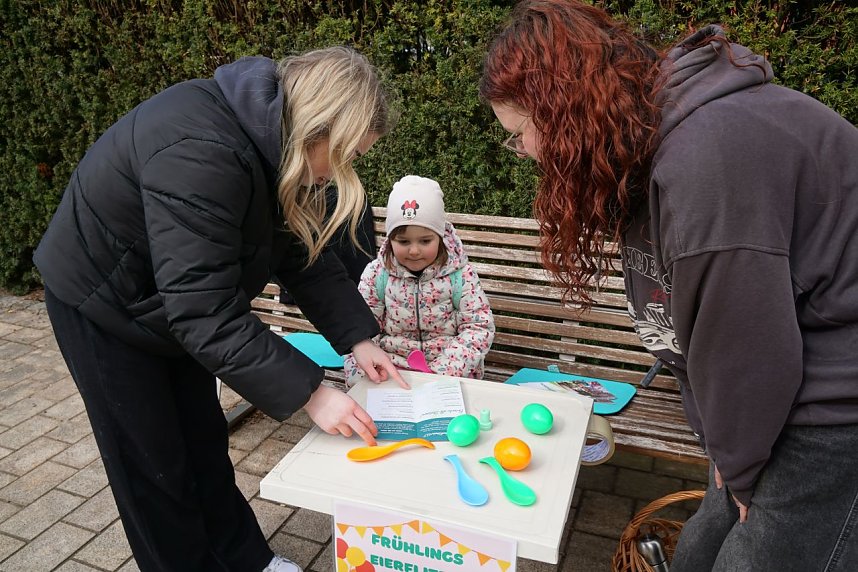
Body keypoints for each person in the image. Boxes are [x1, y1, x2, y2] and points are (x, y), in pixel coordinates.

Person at [479, 1, 858, 570]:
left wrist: (742, 472)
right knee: (698, 551)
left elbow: (747, 345)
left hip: (834, 398)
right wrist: (726, 454)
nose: (526, 152)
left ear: (563, 108)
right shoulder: (645, 147)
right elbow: (689, 328)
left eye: (520, 133)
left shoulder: (708, 158)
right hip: (770, 396)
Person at [33, 47, 409, 572]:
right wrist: (312, 393)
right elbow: (203, 313)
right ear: (319, 127)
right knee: (154, 464)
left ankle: (247, 559)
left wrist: (358, 339)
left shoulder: (276, 144)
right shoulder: (203, 153)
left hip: (172, 302)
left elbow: (300, 252)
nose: (345, 171)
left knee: (203, 440)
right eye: (347, 154)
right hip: (103, 302)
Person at [344, 175, 495, 386]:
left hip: (448, 372)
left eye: (425, 241)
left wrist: (444, 372)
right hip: (391, 368)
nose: (414, 251)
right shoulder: (378, 274)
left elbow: (478, 327)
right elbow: (361, 328)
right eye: (403, 241)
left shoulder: (460, 276)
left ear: (440, 237)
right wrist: (364, 371)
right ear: (390, 240)